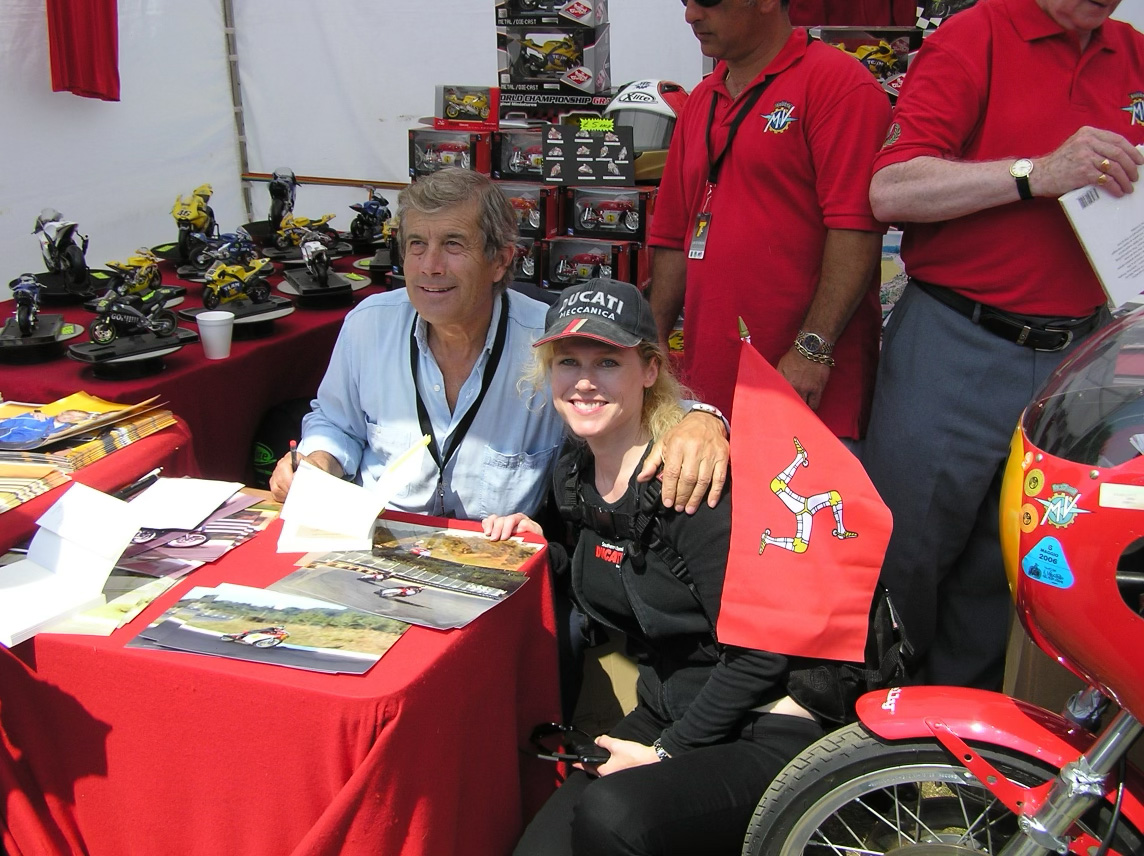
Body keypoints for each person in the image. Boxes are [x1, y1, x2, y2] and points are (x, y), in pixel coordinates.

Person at [484, 279, 824, 856]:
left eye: (607, 362)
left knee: (612, 819)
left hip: (762, 722)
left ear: (648, 371)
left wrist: (668, 753)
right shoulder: (576, 472)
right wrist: (544, 550)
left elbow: (762, 652)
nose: (584, 381)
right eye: (568, 361)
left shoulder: (690, 487)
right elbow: (624, 581)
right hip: (669, 708)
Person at [862, 0, 1144, 689]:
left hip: (1079, 359)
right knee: (905, 560)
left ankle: (961, 740)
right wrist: (1033, 174)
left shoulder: (1132, 53)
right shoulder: (976, 37)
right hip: (957, 344)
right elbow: (890, 189)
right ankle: (870, 725)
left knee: (1012, 569)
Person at [268, 168, 730, 519]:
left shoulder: (550, 339)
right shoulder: (368, 325)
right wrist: (320, 459)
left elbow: (640, 405)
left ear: (500, 260)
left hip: (496, 558)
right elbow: (336, 421)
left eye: (453, 244)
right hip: (379, 543)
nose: (430, 266)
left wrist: (705, 421)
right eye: (416, 244)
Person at [647, 0, 889, 439]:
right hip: (708, 396)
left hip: (806, 392)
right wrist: (655, 337)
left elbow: (856, 230)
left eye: (708, 0)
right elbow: (671, 235)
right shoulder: (702, 98)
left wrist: (813, 349)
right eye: (685, 1)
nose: (691, 15)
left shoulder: (839, 84)